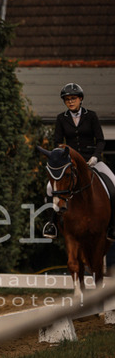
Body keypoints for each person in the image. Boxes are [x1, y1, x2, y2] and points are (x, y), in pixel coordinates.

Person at [43, 82, 115, 240]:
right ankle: (52, 223)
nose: (70, 102)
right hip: (71, 162)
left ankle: (112, 225)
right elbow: (57, 142)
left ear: (80, 99)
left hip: (92, 160)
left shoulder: (91, 116)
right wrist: (62, 158)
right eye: (67, 99)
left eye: (73, 98)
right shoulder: (61, 118)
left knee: (113, 182)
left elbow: (101, 140)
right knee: (49, 187)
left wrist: (95, 156)